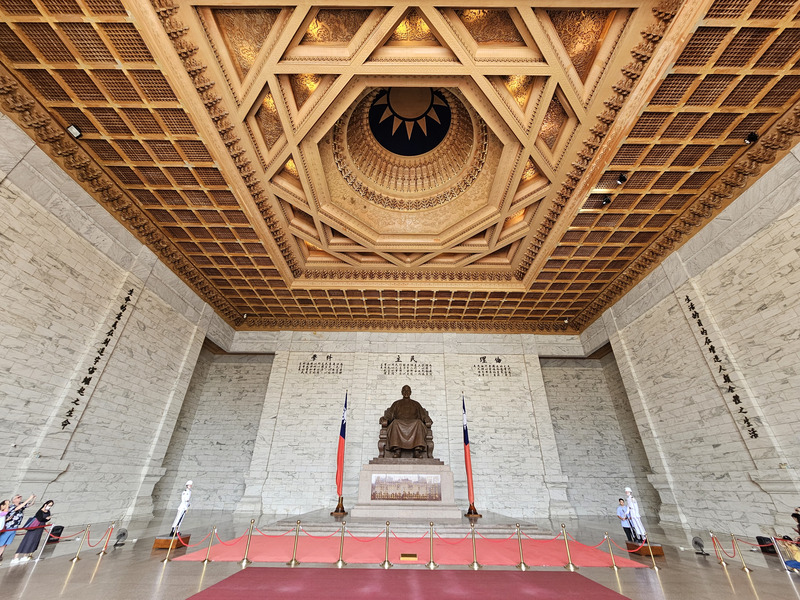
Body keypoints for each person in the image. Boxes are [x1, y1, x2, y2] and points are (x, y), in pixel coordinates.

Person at [381, 385, 432, 458]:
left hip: (414, 423)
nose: (406, 392)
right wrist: (385, 418)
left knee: (418, 422)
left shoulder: (416, 404)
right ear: (401, 392)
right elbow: (390, 415)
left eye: (408, 391)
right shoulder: (396, 403)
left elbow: (423, 415)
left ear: (410, 392)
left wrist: (426, 419)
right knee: (395, 422)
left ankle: (417, 451)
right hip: (399, 423)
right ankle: (397, 450)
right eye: (404, 391)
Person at [0, 493, 35, 561]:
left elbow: (30, 504)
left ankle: (0, 555)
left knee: (6, 543)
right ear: (14, 500)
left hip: (15, 527)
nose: (19, 498)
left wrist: (33, 499)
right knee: (2, 542)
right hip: (9, 527)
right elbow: (18, 508)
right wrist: (29, 498)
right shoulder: (12, 507)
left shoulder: (21, 505)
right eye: (18, 497)